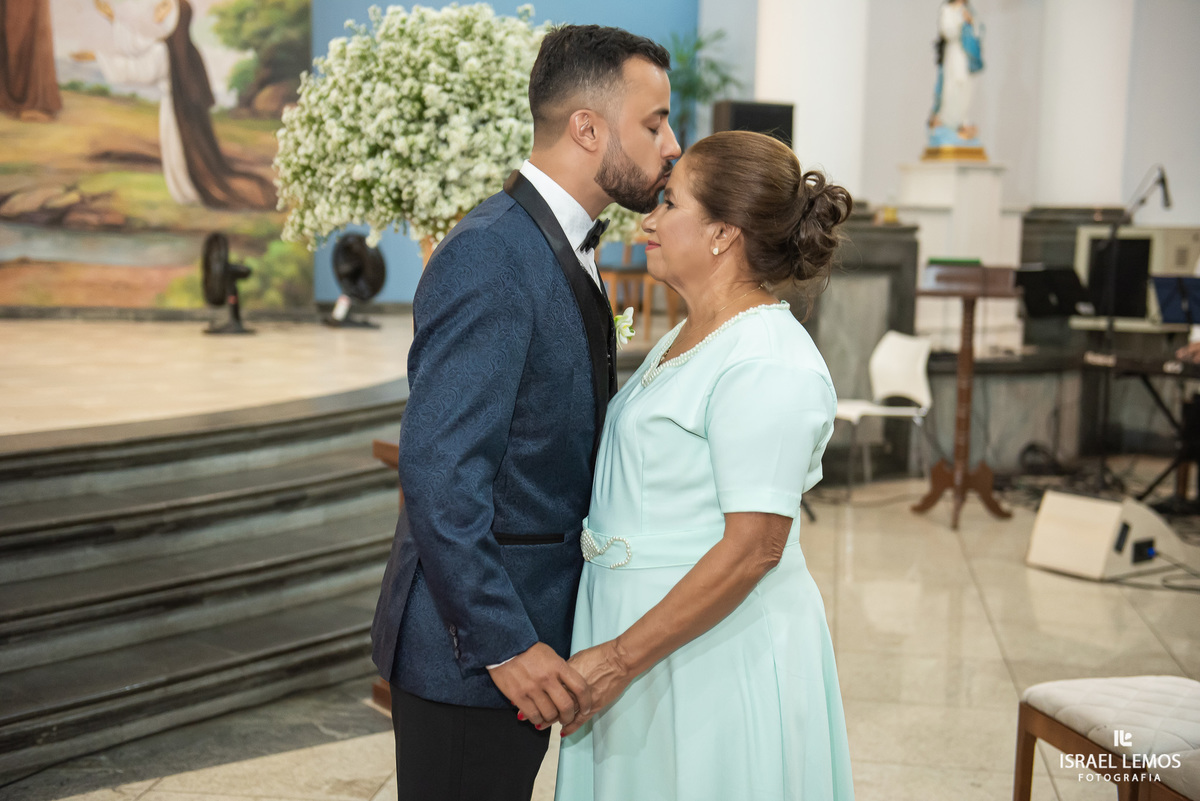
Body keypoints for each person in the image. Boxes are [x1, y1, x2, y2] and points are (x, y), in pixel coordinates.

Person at [370, 25, 681, 801]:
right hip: (472, 656)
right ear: (587, 128)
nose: (672, 145)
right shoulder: (492, 252)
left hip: (525, 637)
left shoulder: (556, 244)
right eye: (654, 124)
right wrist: (506, 644)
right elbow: (440, 471)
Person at [554, 130, 855, 801]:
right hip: (648, 635)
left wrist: (619, 658)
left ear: (723, 233)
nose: (649, 220)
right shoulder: (696, 331)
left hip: (709, 649)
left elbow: (754, 548)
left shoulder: (766, 359)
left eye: (670, 203)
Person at [83, 0, 274, 209]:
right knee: (185, 150)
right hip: (187, 111)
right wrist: (113, 20)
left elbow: (139, 68)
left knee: (177, 149)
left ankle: (186, 191)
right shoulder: (183, 47)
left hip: (175, 110)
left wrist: (99, 58)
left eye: (164, 5)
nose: (157, 8)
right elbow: (141, 46)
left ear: (175, 13)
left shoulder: (166, 49)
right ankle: (188, 189)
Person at [929, 0, 980, 142]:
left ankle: (962, 122)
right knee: (951, 88)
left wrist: (970, 22)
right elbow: (947, 31)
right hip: (954, 53)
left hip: (966, 55)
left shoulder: (967, 9)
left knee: (965, 89)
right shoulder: (947, 9)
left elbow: (977, 31)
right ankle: (947, 122)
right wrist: (962, 23)